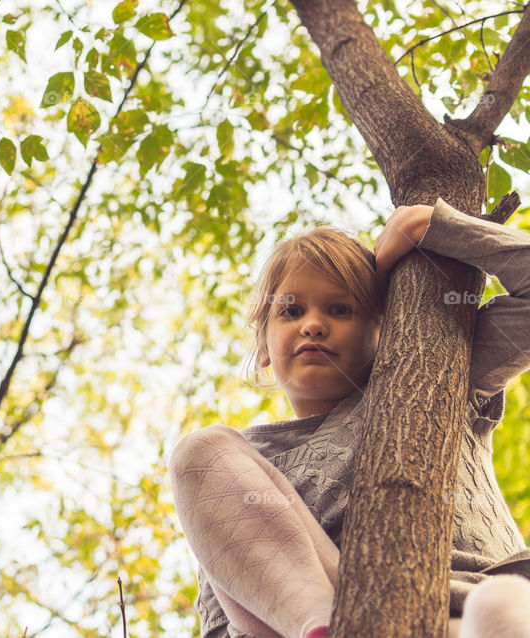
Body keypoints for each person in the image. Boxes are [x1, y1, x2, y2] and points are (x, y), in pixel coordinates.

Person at [169, 198, 530, 638]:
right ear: (263, 347)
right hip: (330, 620)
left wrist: (435, 228)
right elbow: (222, 621)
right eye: (291, 311)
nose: (313, 325)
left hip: (472, 613)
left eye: (341, 309)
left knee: (504, 602)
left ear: (386, 330)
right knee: (199, 450)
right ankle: (322, 625)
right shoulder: (241, 471)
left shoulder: (438, 374)